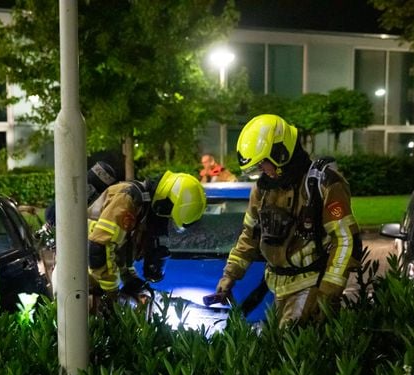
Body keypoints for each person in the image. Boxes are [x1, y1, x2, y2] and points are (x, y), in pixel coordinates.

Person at [211, 114, 360, 326]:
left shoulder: (324, 184)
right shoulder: (263, 189)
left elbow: (346, 240)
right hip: (276, 288)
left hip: (312, 285)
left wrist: (327, 292)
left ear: (280, 153)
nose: (260, 171)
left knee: (290, 349)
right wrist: (230, 276)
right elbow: (250, 235)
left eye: (262, 163)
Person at [88, 170, 206, 309]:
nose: (164, 220)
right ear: (166, 201)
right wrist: (112, 292)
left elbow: (121, 250)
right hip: (76, 273)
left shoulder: (143, 206)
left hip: (93, 274)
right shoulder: (128, 198)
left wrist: (130, 278)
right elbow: (99, 247)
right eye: (167, 213)